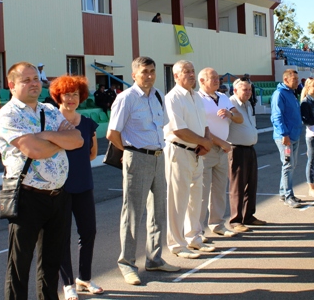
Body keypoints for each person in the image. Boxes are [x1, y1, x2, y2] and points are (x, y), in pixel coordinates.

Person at [0, 62, 82, 300]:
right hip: (27, 196)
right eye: (26, 80)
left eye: (36, 78)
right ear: (12, 86)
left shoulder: (50, 110)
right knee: (19, 265)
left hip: (58, 196)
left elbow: (77, 139)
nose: (34, 84)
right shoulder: (8, 115)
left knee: (51, 263)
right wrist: (58, 141)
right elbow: (34, 150)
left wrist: (47, 136)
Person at [106, 56, 180, 286]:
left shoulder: (158, 95)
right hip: (137, 158)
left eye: (152, 71)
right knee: (133, 214)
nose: (149, 75)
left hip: (159, 157)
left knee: (158, 211)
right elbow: (112, 134)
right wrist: (130, 152)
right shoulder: (126, 98)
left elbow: (163, 125)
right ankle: (127, 263)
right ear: (134, 75)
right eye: (145, 71)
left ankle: (155, 258)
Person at [49, 75, 103, 298]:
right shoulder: (52, 122)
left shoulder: (88, 123)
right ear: (58, 96)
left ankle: (84, 278)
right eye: (66, 94)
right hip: (59, 189)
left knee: (88, 232)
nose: (71, 99)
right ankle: (68, 283)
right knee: (61, 236)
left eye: (75, 95)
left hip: (84, 185)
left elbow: (92, 153)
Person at [163, 60, 215, 258]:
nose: (191, 75)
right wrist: (204, 142)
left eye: (193, 71)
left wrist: (206, 141)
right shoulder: (173, 98)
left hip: (197, 152)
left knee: (195, 198)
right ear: (176, 76)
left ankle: (194, 237)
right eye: (187, 72)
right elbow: (179, 129)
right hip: (179, 151)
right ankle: (177, 244)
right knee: (178, 200)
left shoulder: (196, 96)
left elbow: (204, 123)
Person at [197, 68, 243, 237]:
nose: (218, 80)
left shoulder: (223, 97)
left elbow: (240, 118)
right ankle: (198, 229)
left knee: (219, 189)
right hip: (207, 149)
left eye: (218, 78)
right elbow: (201, 127)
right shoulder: (197, 99)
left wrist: (230, 114)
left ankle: (217, 224)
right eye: (213, 78)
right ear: (202, 81)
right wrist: (222, 143)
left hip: (222, 150)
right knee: (202, 192)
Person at [227, 78, 265, 232]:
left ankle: (248, 215)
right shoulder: (231, 104)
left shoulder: (248, 104)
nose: (249, 92)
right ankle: (236, 220)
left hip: (250, 149)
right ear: (235, 90)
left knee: (251, 183)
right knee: (238, 186)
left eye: (250, 89)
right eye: (245, 90)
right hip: (236, 149)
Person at [271, 69, 304, 207]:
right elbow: (277, 116)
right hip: (285, 137)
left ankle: (284, 193)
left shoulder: (291, 93)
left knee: (291, 165)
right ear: (286, 80)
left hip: (294, 135)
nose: (297, 82)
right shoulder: (279, 94)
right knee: (288, 165)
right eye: (295, 79)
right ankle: (288, 196)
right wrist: (284, 134)